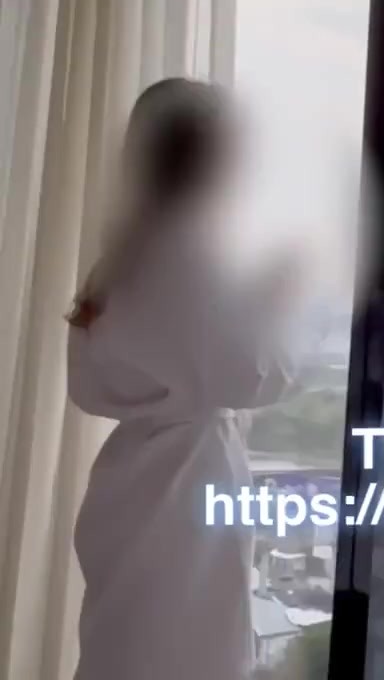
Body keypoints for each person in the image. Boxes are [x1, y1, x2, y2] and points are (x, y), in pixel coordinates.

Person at [67, 78, 298, 680]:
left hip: (124, 484)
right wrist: (276, 300)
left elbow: (87, 385)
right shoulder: (198, 262)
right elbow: (261, 374)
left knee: (121, 646)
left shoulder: (116, 264)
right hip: (187, 493)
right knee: (185, 651)